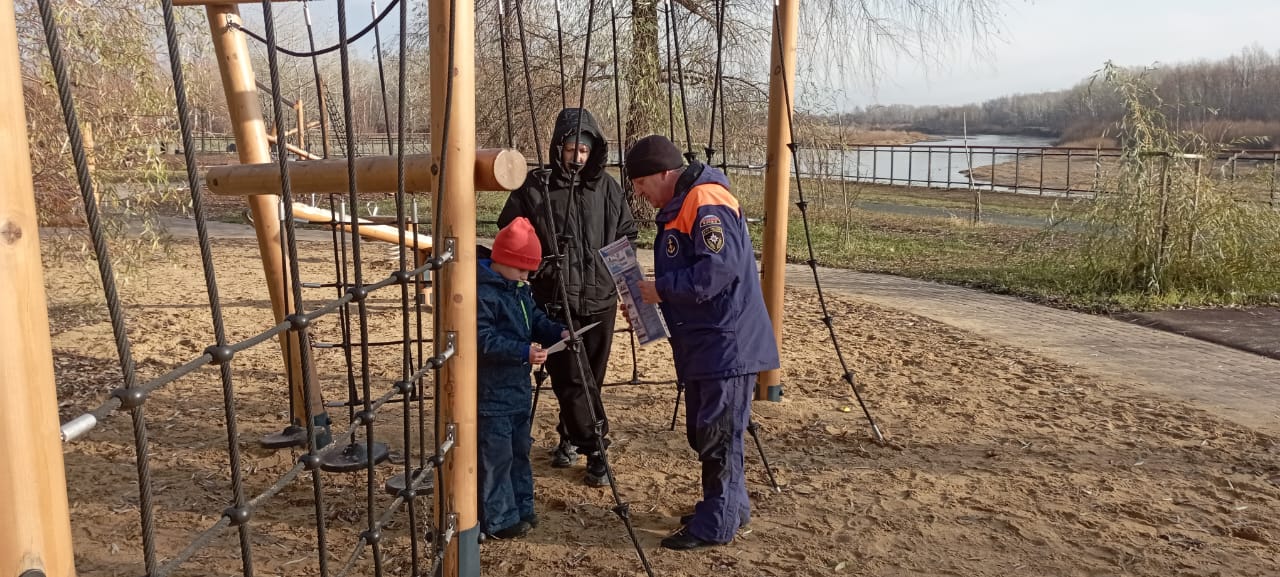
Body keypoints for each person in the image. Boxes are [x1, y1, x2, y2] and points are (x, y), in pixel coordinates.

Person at [624, 135, 780, 550]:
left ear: (663, 172)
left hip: (727, 343)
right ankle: (729, 505)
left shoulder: (705, 200)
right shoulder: (685, 203)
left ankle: (717, 523)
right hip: (708, 343)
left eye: (641, 182)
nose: (639, 192)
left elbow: (717, 272)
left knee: (717, 434)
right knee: (710, 431)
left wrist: (660, 290)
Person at [497, 108, 638, 486]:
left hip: (601, 299)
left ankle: (568, 437)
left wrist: (629, 292)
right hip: (556, 301)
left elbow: (626, 237)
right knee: (572, 379)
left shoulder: (607, 188)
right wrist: (542, 267)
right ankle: (597, 448)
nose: (577, 157)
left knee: (591, 378)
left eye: (584, 151)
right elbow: (512, 233)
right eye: (571, 149)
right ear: (558, 148)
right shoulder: (535, 187)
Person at [476, 217, 569, 540]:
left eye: (529, 272)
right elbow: (481, 339)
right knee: (496, 457)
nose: (526, 278)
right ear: (502, 260)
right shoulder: (483, 293)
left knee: (519, 450)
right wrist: (522, 351)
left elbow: (535, 319)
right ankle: (499, 518)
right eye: (521, 270)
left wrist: (557, 331)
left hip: (516, 388)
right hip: (491, 391)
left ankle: (521, 506)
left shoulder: (516, 288)